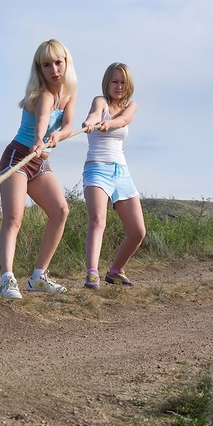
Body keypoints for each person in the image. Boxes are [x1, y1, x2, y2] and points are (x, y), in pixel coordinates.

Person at [0, 39, 77, 299]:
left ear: (66, 63)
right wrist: (41, 138)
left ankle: (38, 277)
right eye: (46, 65)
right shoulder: (43, 95)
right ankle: (6, 279)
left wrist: (59, 137)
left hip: (40, 163)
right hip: (18, 158)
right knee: (14, 218)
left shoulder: (70, 94)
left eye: (58, 62)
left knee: (60, 211)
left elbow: (67, 125)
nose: (54, 69)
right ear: (39, 70)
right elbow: (42, 120)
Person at [80, 62, 146, 289]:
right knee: (98, 220)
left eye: (123, 83)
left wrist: (109, 123)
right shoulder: (100, 101)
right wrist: (90, 122)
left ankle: (115, 271)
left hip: (122, 171)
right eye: (115, 82)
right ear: (107, 83)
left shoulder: (132, 105)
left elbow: (125, 120)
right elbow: (94, 114)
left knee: (138, 231)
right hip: (97, 168)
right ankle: (92, 274)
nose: (119, 86)